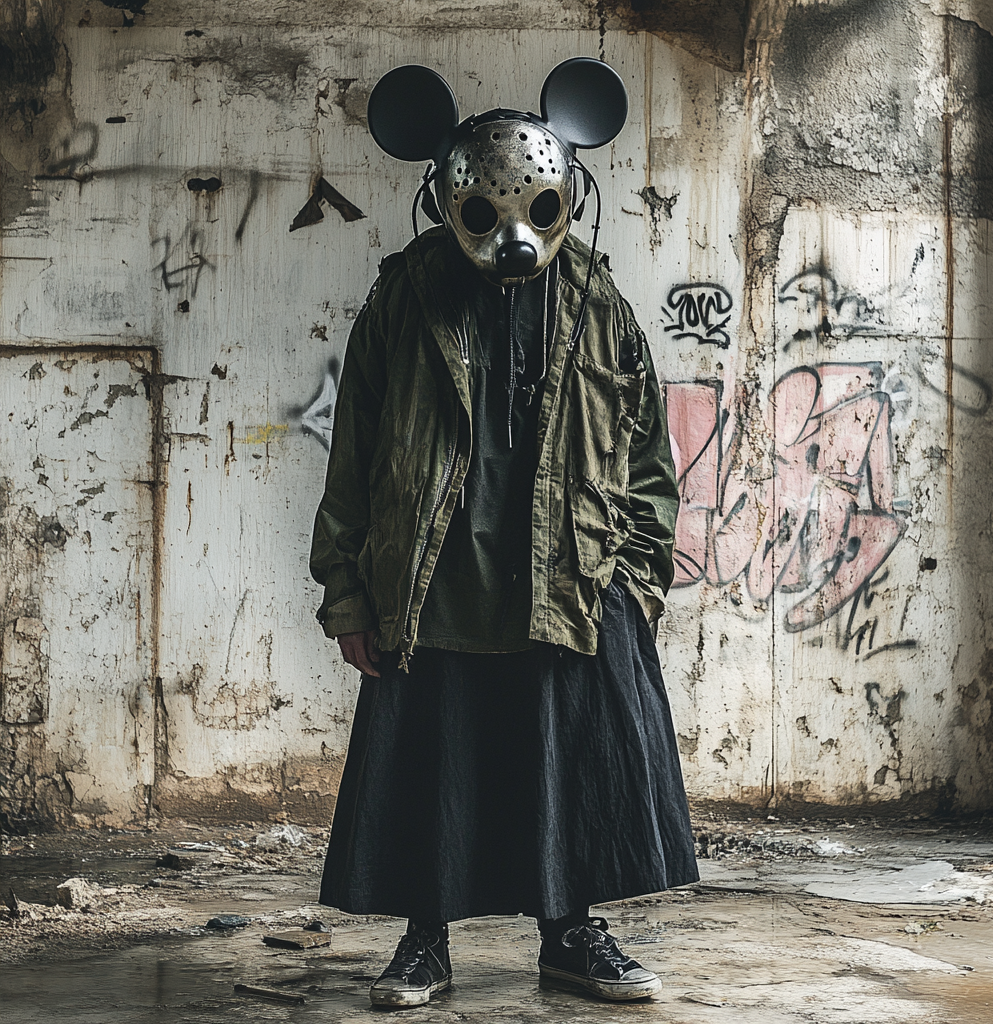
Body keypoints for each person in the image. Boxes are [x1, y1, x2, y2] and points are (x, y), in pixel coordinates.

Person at [310, 57, 699, 1009]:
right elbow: (354, 456)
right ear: (446, 204)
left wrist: (638, 579)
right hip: (435, 580)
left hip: (567, 579)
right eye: (484, 214)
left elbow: (648, 449)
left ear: (570, 197)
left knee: (564, 772)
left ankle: (570, 937)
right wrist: (350, 591)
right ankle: (424, 944)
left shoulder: (600, 301)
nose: (515, 238)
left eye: (539, 208)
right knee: (432, 770)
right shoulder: (403, 298)